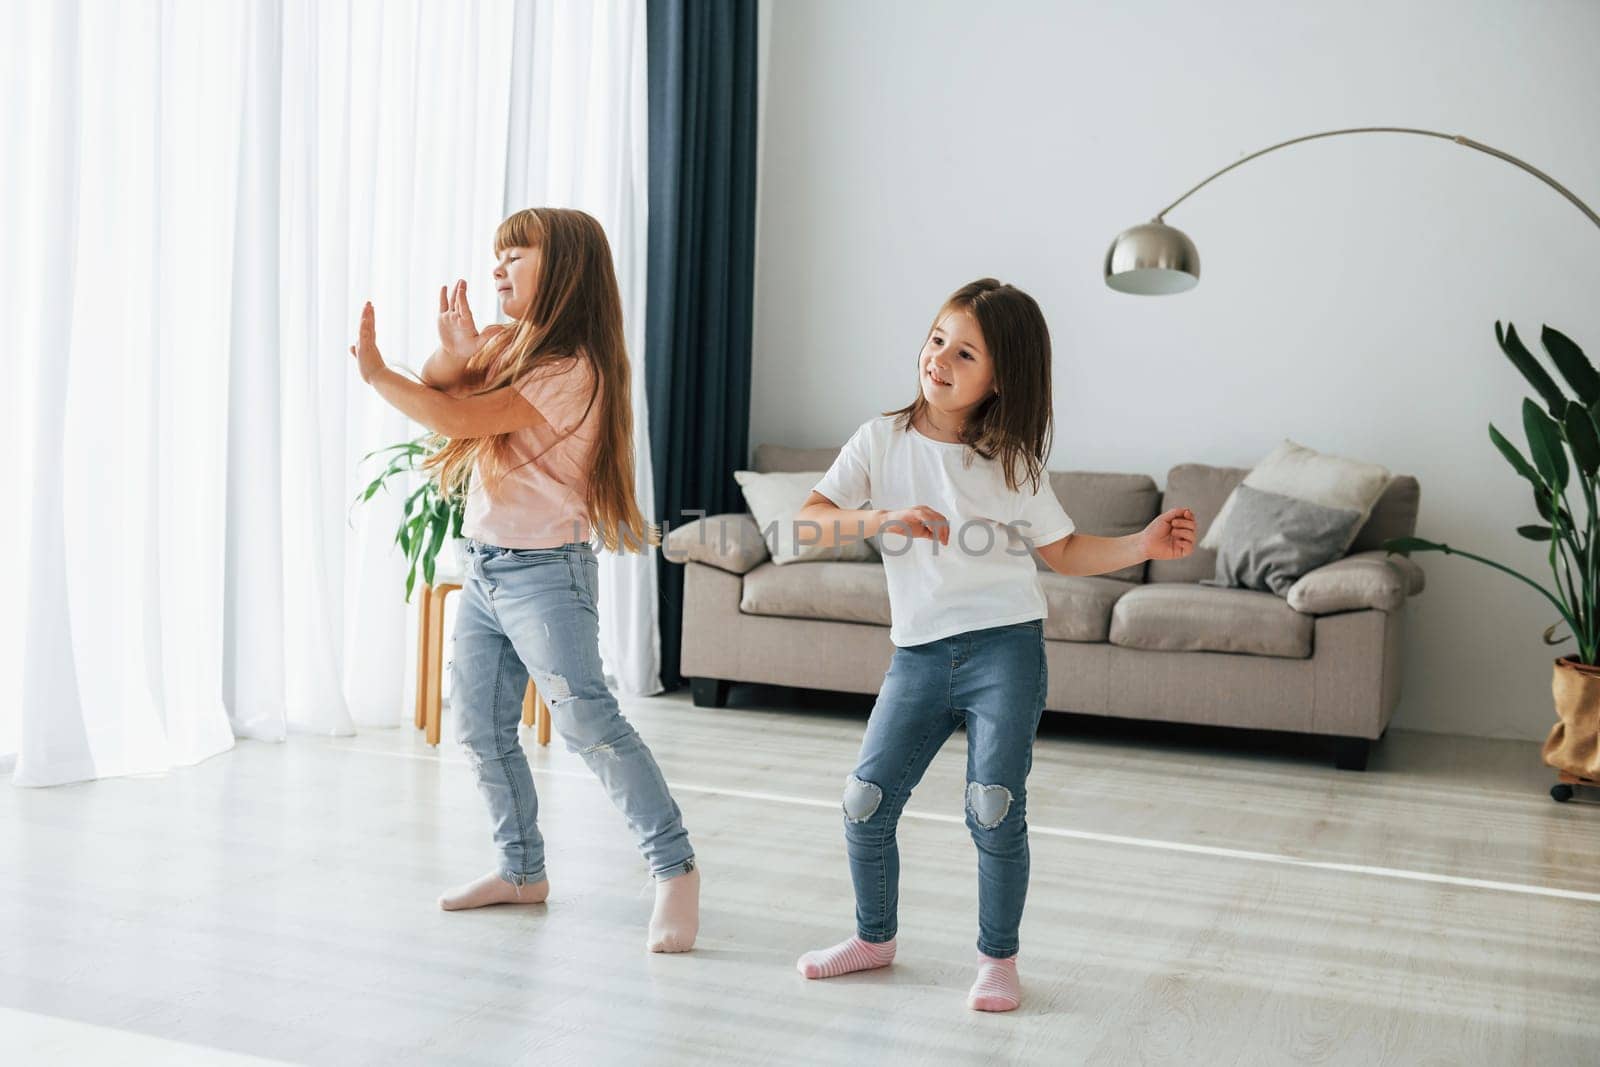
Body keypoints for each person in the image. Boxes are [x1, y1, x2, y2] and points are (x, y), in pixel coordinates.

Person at [793, 278, 1196, 1009]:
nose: (939, 358)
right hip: (917, 654)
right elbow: (811, 519)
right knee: (863, 802)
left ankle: (998, 960)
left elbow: (1065, 552)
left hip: (1004, 652)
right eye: (937, 338)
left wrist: (1140, 542)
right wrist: (880, 517)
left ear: (999, 377)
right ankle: (874, 937)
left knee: (994, 806)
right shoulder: (879, 440)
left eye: (965, 352)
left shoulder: (1010, 461)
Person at [349, 207, 699, 953]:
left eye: (516, 253)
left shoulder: (573, 369)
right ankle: (520, 867)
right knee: (478, 723)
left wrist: (380, 375)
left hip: (547, 572)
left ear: (565, 269)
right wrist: (457, 348)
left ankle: (674, 866)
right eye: (496, 254)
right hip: (485, 565)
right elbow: (449, 377)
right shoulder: (515, 346)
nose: (499, 266)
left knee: (587, 720)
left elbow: (455, 415)